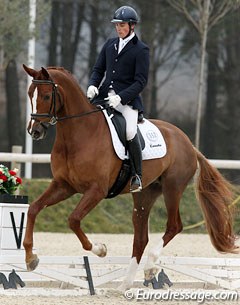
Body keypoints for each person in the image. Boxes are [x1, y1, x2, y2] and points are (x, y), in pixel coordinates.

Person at [87, 5, 149, 192]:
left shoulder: (141, 50)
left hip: (127, 102)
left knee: (130, 132)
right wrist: (92, 85)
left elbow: (140, 82)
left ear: (132, 26)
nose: (118, 29)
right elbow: (98, 70)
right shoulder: (110, 44)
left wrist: (121, 98)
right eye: (116, 25)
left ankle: (137, 175)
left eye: (122, 25)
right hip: (105, 96)